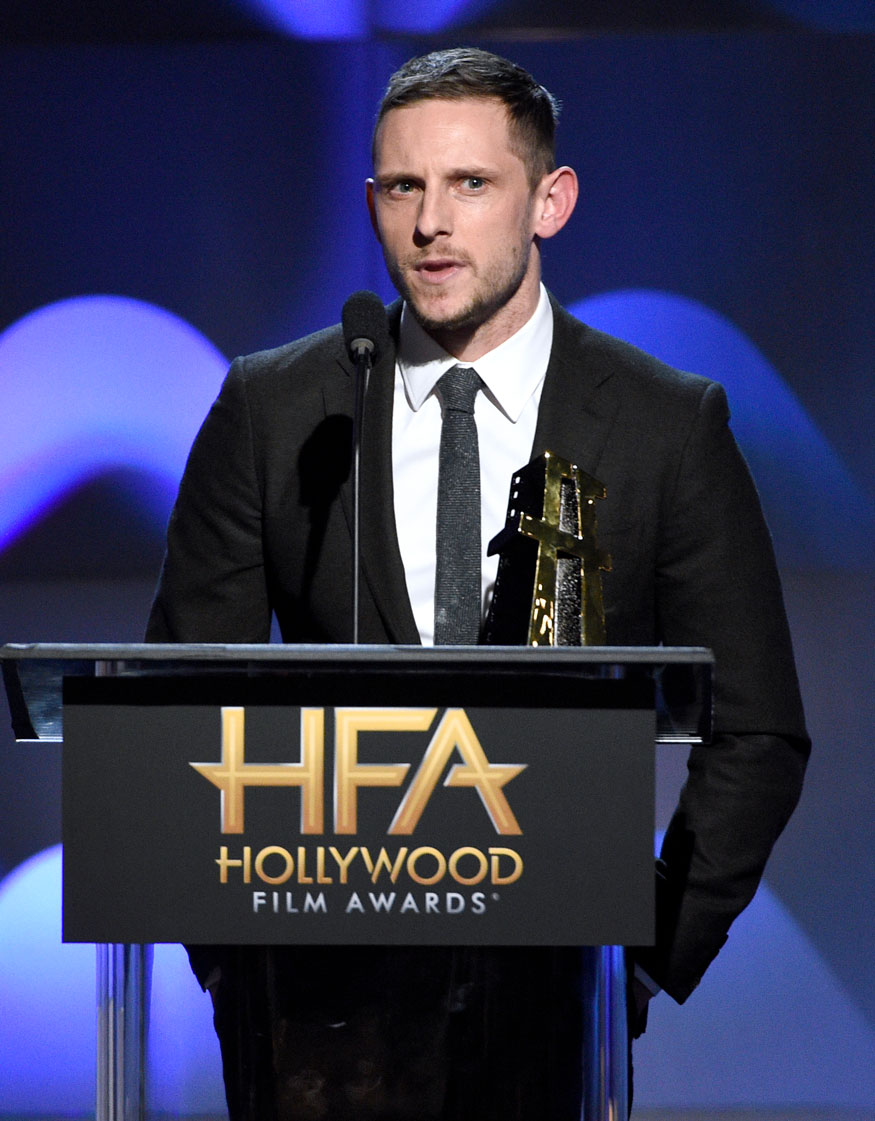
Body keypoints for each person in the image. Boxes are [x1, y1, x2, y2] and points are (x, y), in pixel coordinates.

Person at [147, 47, 809, 1120]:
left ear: (550, 202)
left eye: (469, 183)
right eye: (403, 186)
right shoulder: (275, 409)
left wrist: (635, 956)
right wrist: (238, 962)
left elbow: (756, 729)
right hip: (313, 1021)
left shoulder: (664, 424)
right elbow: (175, 705)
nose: (430, 223)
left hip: (550, 1013)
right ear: (370, 201)